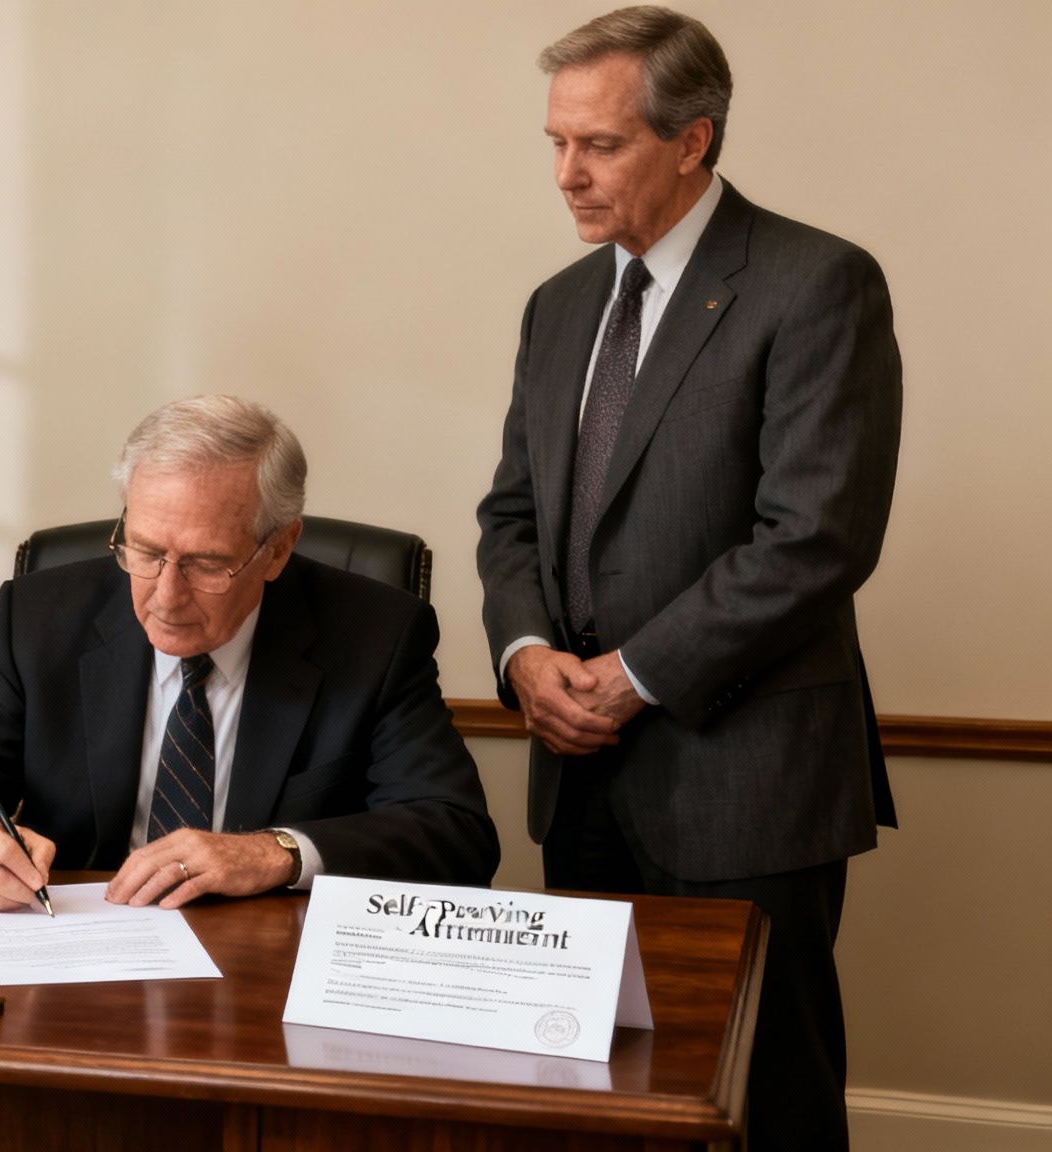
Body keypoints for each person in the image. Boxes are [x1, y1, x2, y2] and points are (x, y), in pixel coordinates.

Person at [474, 8, 901, 1149]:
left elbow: (813, 536)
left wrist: (631, 674)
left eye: (598, 145)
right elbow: (510, 516)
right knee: (596, 1098)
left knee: (769, 1099)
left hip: (745, 784)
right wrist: (525, 660)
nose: (565, 173)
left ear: (691, 139)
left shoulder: (816, 284)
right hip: (579, 774)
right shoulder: (558, 307)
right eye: (554, 142)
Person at [0, 396, 498, 911]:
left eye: (206, 563)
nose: (165, 595)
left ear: (278, 549)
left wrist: (274, 853)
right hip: (80, 956)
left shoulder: (374, 635)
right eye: (145, 552)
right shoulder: (41, 619)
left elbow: (453, 831)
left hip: (271, 971)